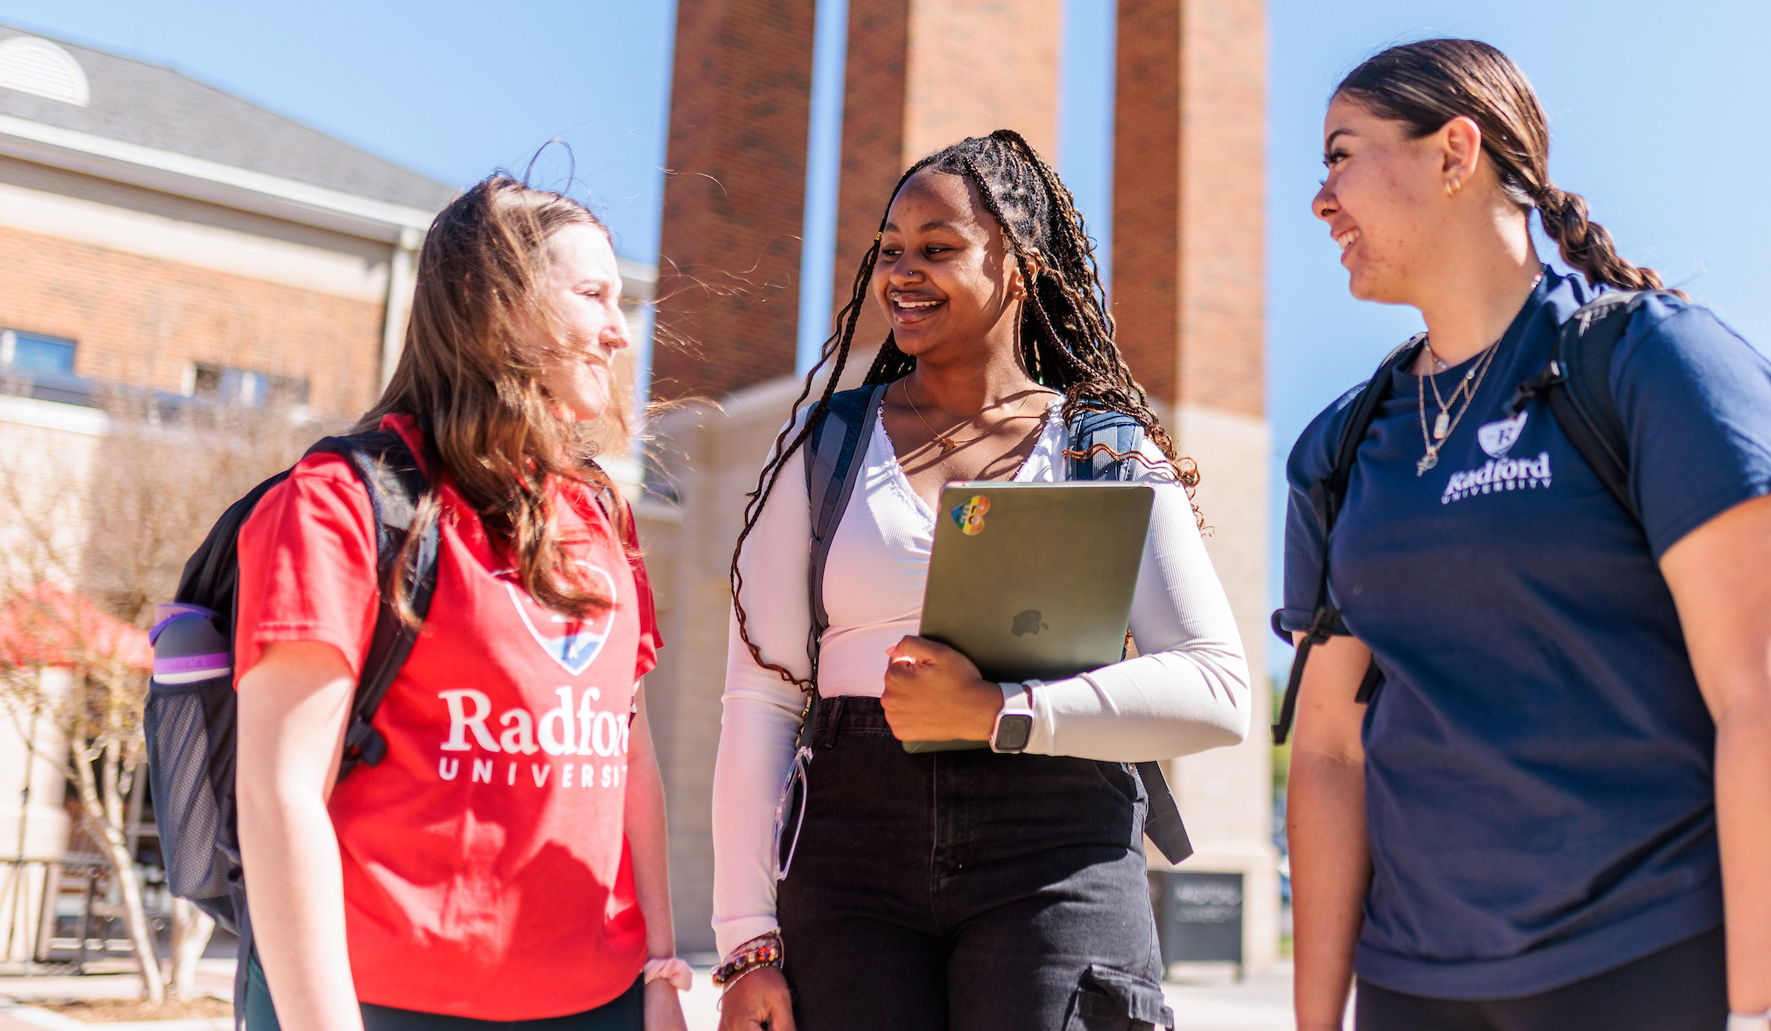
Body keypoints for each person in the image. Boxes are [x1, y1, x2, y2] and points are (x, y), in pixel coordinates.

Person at [1284, 41, 1771, 1031]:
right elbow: (1328, 751)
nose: (1321, 199)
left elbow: (1767, 690)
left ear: (1456, 152)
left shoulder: (1656, 363)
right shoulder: (1344, 445)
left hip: (1650, 954)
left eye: (1342, 154)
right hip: (1416, 982)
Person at [713, 130, 1250, 1031]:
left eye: (938, 249)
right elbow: (759, 700)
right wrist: (746, 942)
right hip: (852, 855)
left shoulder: (1102, 448)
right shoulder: (826, 446)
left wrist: (1003, 710)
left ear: (1020, 269)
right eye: (890, 250)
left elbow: (1218, 688)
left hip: (1059, 847)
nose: (902, 274)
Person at [234, 176, 687, 1031]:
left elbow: (629, 756)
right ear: (492, 304)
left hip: (602, 1006)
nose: (620, 332)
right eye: (592, 295)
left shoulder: (600, 514)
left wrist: (661, 970)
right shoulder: (339, 502)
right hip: (388, 1004)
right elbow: (279, 796)